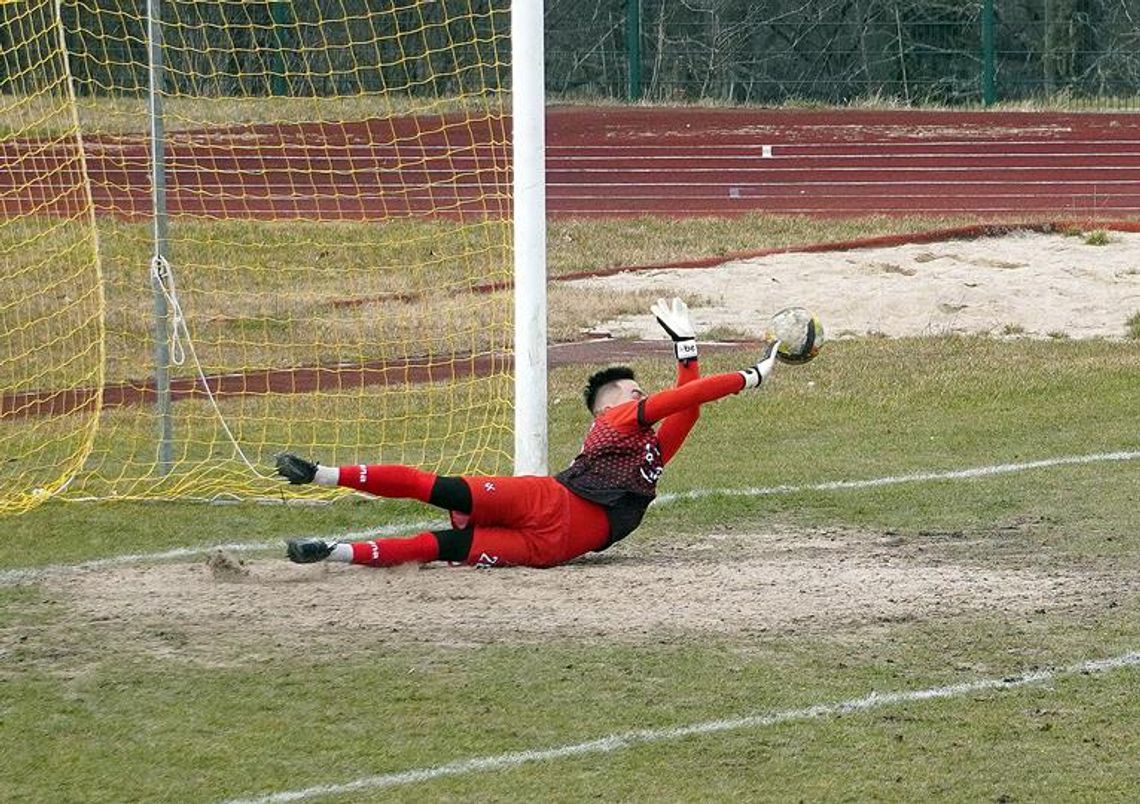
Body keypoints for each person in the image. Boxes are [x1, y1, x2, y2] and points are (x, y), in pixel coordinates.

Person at [278, 298, 781, 569]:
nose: (640, 396)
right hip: (547, 502)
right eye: (633, 391)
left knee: (443, 548)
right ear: (608, 406)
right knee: (436, 488)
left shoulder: (649, 452)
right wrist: (749, 377)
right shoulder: (616, 421)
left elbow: (687, 412)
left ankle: (332, 551)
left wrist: (688, 350)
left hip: (553, 552)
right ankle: (321, 474)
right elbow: (679, 401)